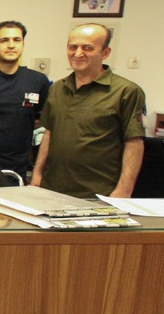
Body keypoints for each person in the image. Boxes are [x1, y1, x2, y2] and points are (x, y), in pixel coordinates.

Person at [31, 23, 146, 198]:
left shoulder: (126, 91)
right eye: (73, 47)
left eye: (87, 48)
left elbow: (134, 142)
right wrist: (37, 174)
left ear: (105, 53)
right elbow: (49, 133)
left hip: (98, 194)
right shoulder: (57, 88)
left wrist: (124, 190)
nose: (78, 53)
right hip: (51, 189)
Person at [0, 21, 49, 180]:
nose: (11, 45)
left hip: (18, 165)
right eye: (4, 40)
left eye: (16, 40)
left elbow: (41, 119)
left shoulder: (37, 81)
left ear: (23, 44)